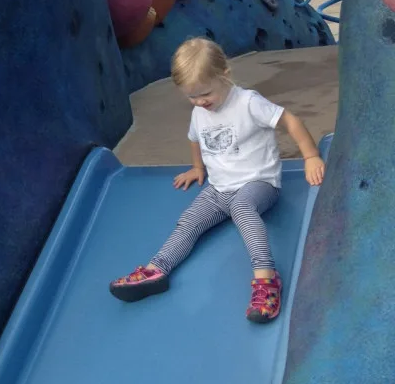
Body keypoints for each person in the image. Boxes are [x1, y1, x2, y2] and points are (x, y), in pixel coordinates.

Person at [109, 37, 325, 322]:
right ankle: (156, 270)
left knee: (242, 209)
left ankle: (267, 279)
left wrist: (310, 156)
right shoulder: (200, 111)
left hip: (258, 183)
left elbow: (290, 120)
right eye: (191, 97)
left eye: (205, 94)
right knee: (188, 221)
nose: (199, 102)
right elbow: (194, 138)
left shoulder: (248, 103)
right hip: (220, 188)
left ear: (225, 75)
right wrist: (197, 168)